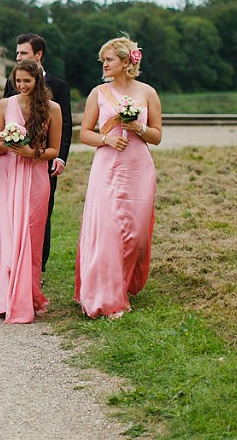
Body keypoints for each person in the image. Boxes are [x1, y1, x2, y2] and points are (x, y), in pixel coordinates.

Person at [75, 38, 160, 319]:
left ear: (126, 62)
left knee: (136, 234)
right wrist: (107, 140)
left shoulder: (148, 93)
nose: (104, 65)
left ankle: (120, 285)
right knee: (108, 231)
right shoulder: (98, 93)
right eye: (103, 60)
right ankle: (106, 296)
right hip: (107, 168)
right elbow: (84, 133)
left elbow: (157, 136)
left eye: (109, 60)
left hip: (139, 169)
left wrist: (137, 127)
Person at [0, 59, 62, 324]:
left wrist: (31, 152)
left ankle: (26, 296)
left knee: (31, 235)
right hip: (9, 174)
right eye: (18, 81)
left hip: (35, 175)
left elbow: (54, 150)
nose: (22, 85)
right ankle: (5, 296)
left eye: (27, 81)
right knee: (9, 233)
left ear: (37, 81)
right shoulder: (5, 104)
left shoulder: (52, 108)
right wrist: (9, 143)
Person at [2, 33, 73, 273]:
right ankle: (13, 267)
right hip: (14, 163)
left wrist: (60, 157)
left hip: (44, 161)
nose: (18, 57)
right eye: (17, 53)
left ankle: (36, 269)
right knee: (13, 216)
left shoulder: (59, 86)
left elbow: (65, 126)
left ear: (38, 54)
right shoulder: (12, 84)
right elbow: (5, 124)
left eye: (23, 53)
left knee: (41, 215)